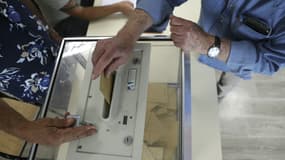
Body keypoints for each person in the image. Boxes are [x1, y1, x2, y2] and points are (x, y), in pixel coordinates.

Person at [91, 0, 285, 100]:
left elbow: (271, 59)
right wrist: (127, 35)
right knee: (196, 87)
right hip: (200, 39)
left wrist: (208, 44)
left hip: (239, 63)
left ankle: (218, 98)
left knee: (221, 91)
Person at [0, 0, 96, 146]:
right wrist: (22, 128)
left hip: (55, 46)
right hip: (36, 83)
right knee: (84, 118)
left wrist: (45, 26)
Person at [34, 0, 134, 36]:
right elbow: (81, 12)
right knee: (111, 31)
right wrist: (118, 7)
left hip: (80, 5)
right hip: (66, 22)